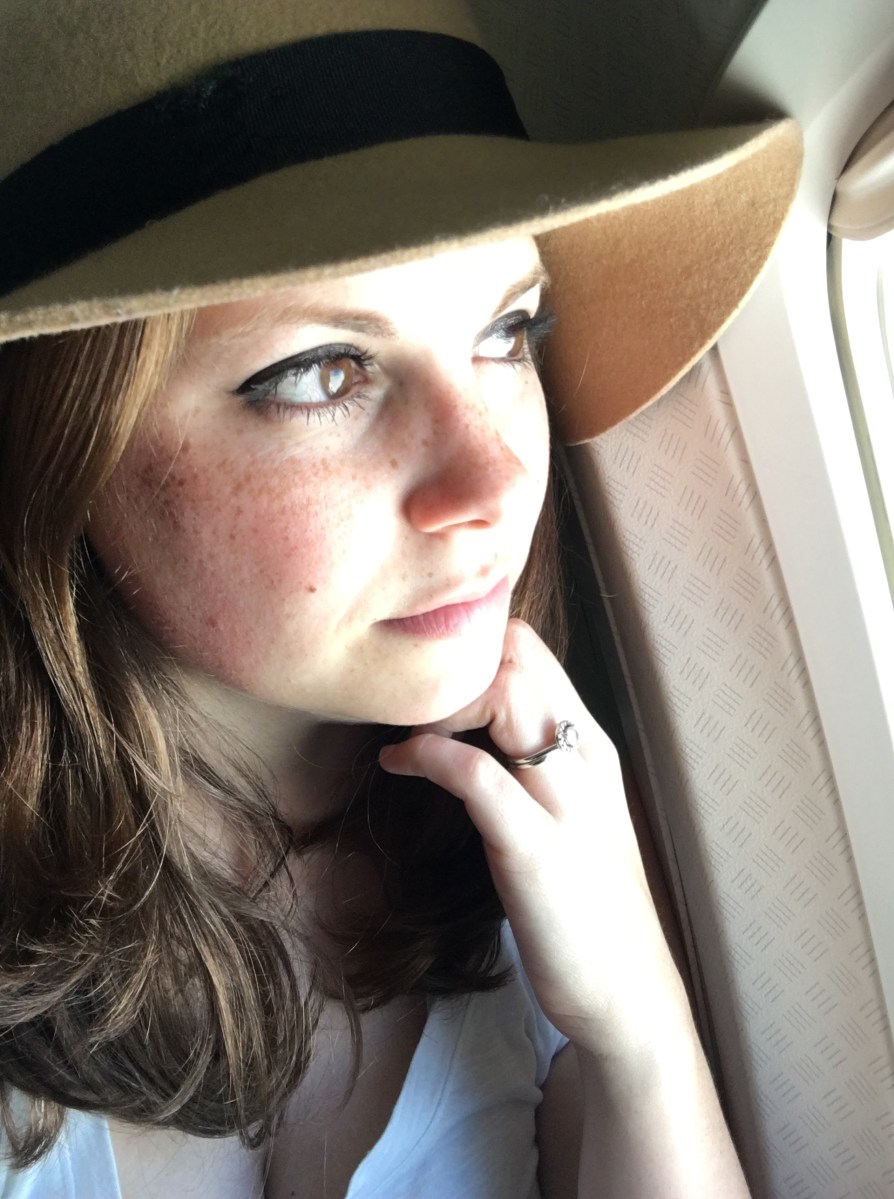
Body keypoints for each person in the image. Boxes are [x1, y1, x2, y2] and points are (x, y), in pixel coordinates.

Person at [0, 1, 801, 1195]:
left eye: (507, 330)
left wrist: (638, 1026)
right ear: (58, 444)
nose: (496, 481)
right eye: (323, 371)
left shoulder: (555, 847)